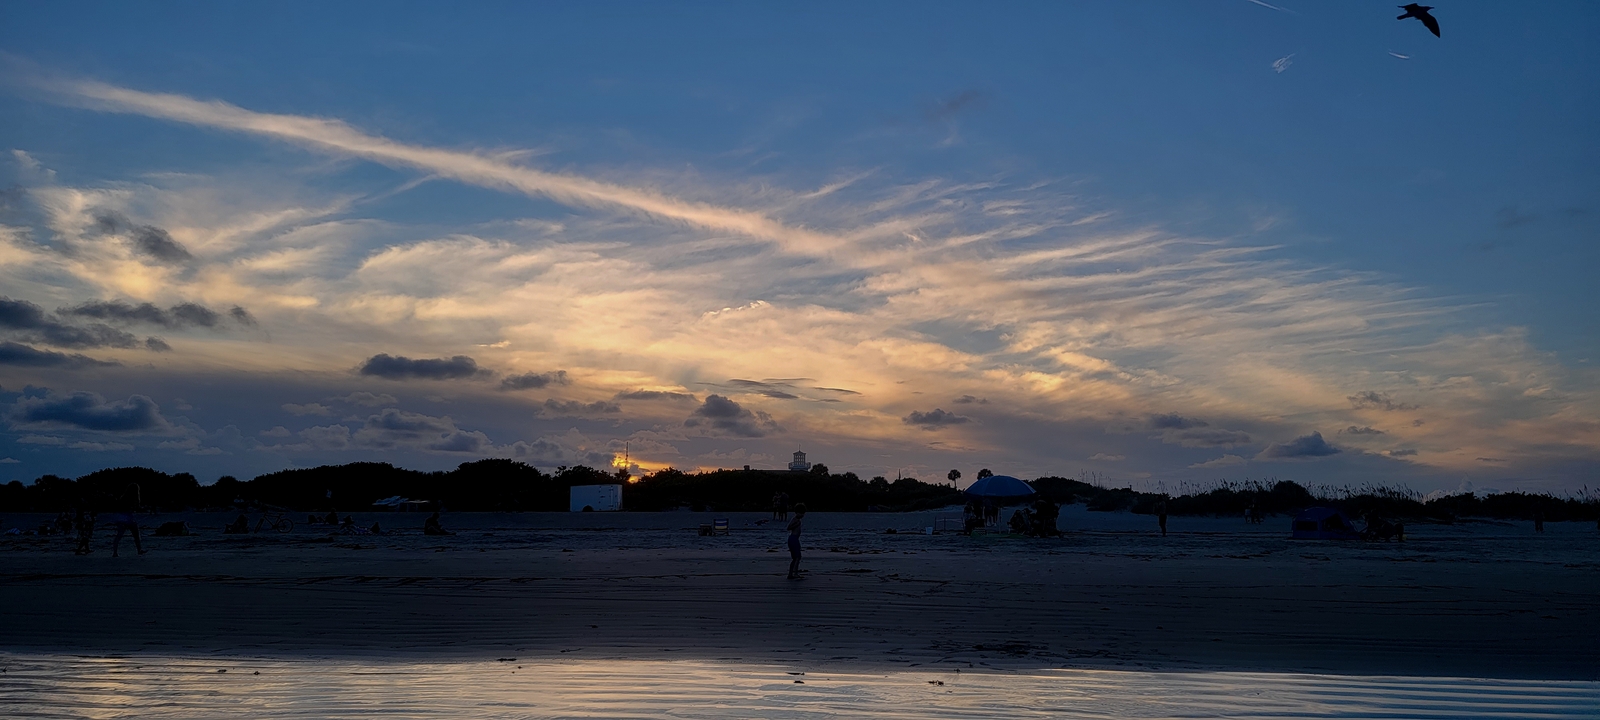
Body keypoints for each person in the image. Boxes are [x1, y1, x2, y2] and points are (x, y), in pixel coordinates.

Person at [107, 485, 145, 557]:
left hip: (124, 518)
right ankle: (139, 550)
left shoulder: (123, 498)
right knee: (134, 535)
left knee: (120, 535)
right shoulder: (129, 499)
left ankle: (115, 552)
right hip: (126, 518)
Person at [786, 503, 807, 579]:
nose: (802, 515)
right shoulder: (795, 520)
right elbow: (788, 527)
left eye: (803, 513)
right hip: (793, 539)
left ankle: (791, 573)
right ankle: (795, 573)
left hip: (795, 539)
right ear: (797, 512)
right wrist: (796, 524)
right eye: (801, 513)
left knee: (796, 558)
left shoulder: (797, 520)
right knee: (797, 557)